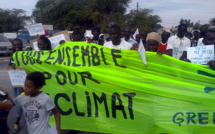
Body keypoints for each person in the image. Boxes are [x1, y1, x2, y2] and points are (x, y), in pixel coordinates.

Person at [8, 38, 25, 133]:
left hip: (24, 82)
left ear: (22, 45)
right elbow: (10, 65)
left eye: (18, 45)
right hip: (15, 81)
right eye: (15, 45)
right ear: (13, 46)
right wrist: (12, 66)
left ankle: (16, 122)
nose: (17, 47)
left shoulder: (25, 54)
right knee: (19, 100)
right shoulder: (13, 55)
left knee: (19, 100)